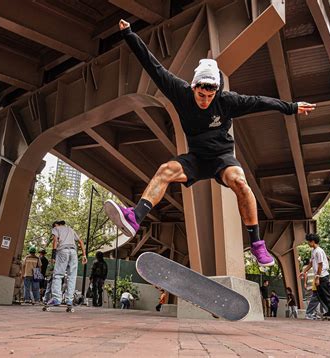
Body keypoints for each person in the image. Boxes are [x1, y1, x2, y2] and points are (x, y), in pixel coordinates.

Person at [104, 19, 316, 268]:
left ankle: (257, 245)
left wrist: (291, 107)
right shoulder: (179, 91)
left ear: (216, 91)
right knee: (165, 170)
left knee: (240, 182)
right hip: (195, 158)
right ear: (193, 87)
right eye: (200, 95)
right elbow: (153, 66)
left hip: (222, 157)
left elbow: (260, 101)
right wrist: (129, 34)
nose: (204, 100)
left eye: (209, 95)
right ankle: (135, 217)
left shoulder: (228, 101)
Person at [300, 234, 330, 318]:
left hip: (323, 276)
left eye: (308, 241)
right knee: (322, 295)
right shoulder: (313, 251)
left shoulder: (319, 251)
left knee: (329, 294)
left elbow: (320, 264)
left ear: (312, 241)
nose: (308, 243)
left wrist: (317, 277)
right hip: (319, 276)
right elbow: (311, 263)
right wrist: (303, 271)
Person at [47, 220, 87, 306]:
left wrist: (53, 256)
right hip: (73, 252)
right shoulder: (71, 229)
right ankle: (69, 300)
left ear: (57, 225)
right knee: (72, 276)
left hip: (63, 251)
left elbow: (55, 241)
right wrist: (84, 255)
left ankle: (57, 299)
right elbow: (80, 241)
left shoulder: (56, 228)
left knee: (58, 275)